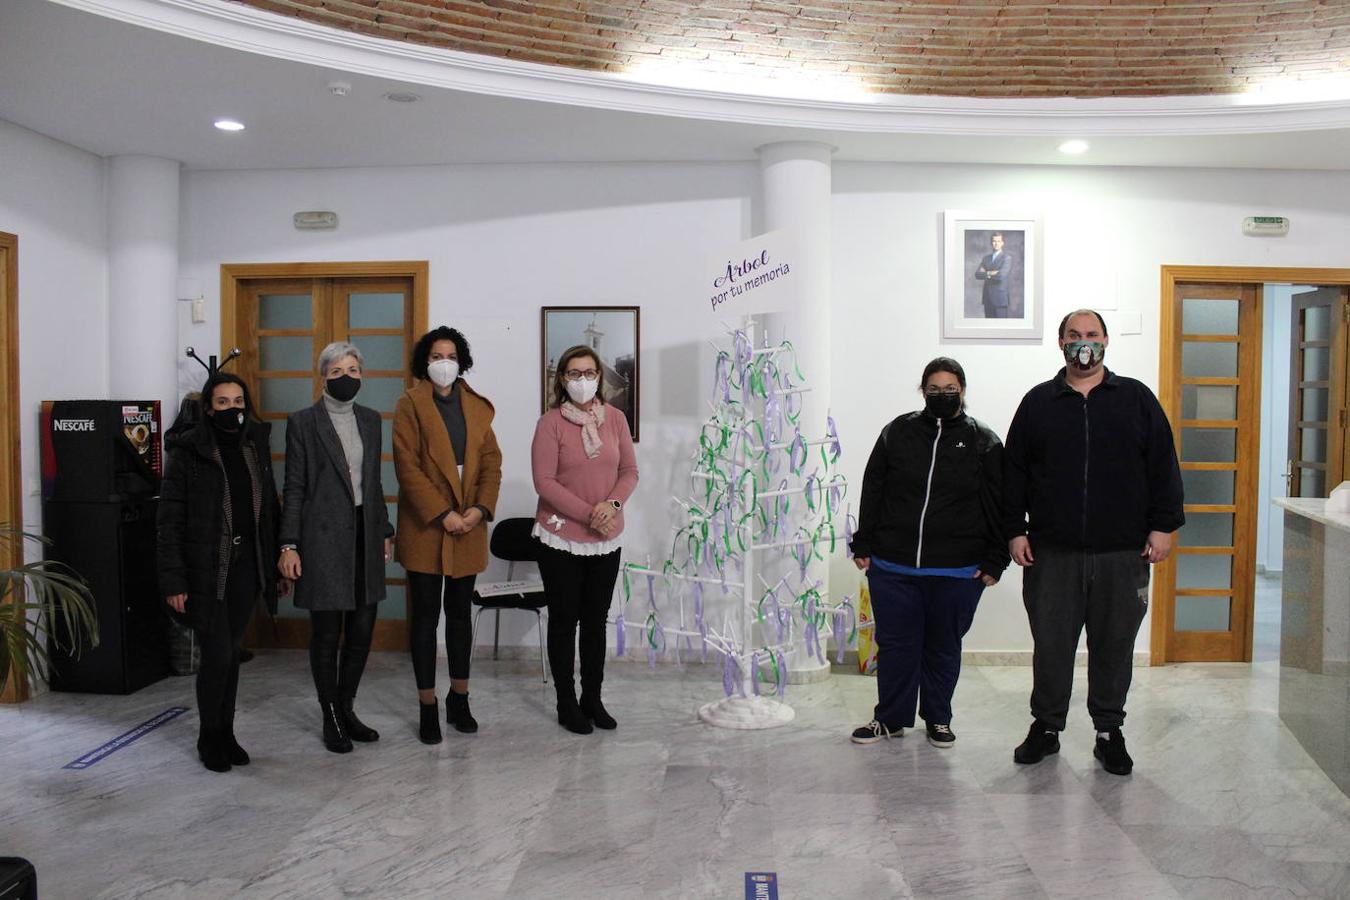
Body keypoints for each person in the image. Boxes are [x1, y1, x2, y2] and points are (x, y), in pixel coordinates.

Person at [1004, 309, 1184, 776]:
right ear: (1059, 343)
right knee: (1051, 645)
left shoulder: (1136, 400)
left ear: (1106, 341)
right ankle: (1046, 727)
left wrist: (1163, 526)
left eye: (1091, 335)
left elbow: (1163, 464)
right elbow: (1013, 474)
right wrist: (1015, 529)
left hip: (1122, 553)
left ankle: (1109, 732)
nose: (1083, 343)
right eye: (1073, 336)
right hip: (1052, 553)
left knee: (1114, 644)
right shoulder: (1038, 403)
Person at [847, 358, 1008, 748]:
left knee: (942, 648)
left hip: (957, 571)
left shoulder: (983, 441)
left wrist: (995, 559)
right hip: (893, 566)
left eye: (949, 388)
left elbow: (1001, 504)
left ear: (963, 391)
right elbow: (874, 487)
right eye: (933, 389)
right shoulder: (897, 432)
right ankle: (890, 718)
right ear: (923, 392)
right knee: (897, 646)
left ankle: (938, 718)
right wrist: (863, 542)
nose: (941, 395)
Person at [158, 373, 281, 773]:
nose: (232, 409)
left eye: (238, 401)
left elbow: (268, 511)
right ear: (208, 408)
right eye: (223, 402)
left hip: (246, 567)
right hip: (206, 570)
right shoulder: (188, 452)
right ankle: (208, 736)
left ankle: (226, 733)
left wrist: (278, 557)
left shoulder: (253, 447)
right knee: (217, 654)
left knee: (231, 655)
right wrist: (174, 581)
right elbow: (169, 522)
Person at [278, 342, 394, 754]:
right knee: (327, 634)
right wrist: (288, 543)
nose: (346, 377)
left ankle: (347, 708)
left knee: (362, 630)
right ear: (323, 376)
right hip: (322, 538)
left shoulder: (372, 420)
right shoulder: (303, 422)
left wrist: (384, 529)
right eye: (337, 371)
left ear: (362, 374)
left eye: (353, 369)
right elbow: (293, 488)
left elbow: (374, 483)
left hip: (365, 534)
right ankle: (329, 714)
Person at [393, 326, 502, 744]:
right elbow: (407, 468)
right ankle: (427, 705)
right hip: (426, 525)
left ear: (462, 361)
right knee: (424, 619)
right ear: (425, 362)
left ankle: (460, 698)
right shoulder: (409, 405)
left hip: (469, 524)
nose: (444, 363)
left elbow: (492, 462)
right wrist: (442, 514)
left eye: (451, 356)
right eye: (436, 356)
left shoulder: (476, 406)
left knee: (459, 617)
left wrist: (478, 510)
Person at [531, 344, 639, 734]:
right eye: (573, 374)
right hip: (560, 537)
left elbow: (629, 470)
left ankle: (592, 698)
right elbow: (543, 481)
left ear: (599, 377)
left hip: (606, 536)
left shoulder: (616, 420)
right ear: (562, 379)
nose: (582, 380)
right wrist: (588, 514)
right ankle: (566, 702)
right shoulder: (550, 424)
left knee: (596, 621)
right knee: (564, 621)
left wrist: (610, 506)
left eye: (588, 372)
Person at [974, 232, 1013, 318]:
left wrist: (985, 273)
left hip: (1000, 299)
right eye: (994, 241)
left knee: (1001, 328)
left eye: (998, 241)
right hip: (987, 298)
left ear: (1002, 243)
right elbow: (977, 274)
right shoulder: (986, 258)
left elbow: (1001, 276)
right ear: (991, 243)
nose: (996, 243)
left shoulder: (1006, 258)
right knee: (988, 328)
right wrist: (990, 273)